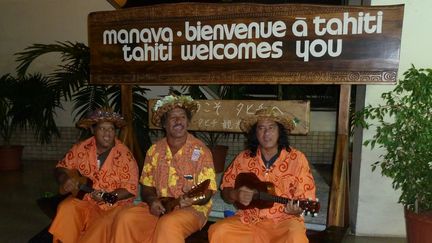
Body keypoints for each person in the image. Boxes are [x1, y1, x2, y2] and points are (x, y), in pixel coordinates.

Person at [111, 95, 217, 243]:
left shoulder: (201, 151)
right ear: (164, 124)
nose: (179, 121)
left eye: (182, 117)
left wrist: (192, 200)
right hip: (160, 205)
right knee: (125, 218)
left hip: (191, 210)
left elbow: (207, 192)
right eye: (173, 117)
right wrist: (153, 200)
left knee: (168, 224)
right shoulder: (154, 150)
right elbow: (147, 188)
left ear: (187, 121)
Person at [208, 107, 317, 243]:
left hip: (284, 221)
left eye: (271, 127)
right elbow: (225, 190)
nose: (266, 133)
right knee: (218, 231)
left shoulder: (297, 159)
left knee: (296, 237)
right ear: (255, 133)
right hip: (248, 220)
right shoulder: (243, 158)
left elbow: (306, 197)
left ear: (280, 131)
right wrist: (235, 194)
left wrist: (295, 210)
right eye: (261, 128)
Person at [49, 108, 139, 243]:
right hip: (84, 200)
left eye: (111, 129)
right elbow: (61, 168)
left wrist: (109, 196)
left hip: (113, 206)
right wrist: (65, 179)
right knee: (66, 208)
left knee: (101, 226)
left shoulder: (125, 156)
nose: (107, 134)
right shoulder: (81, 148)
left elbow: (130, 188)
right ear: (93, 130)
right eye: (102, 128)